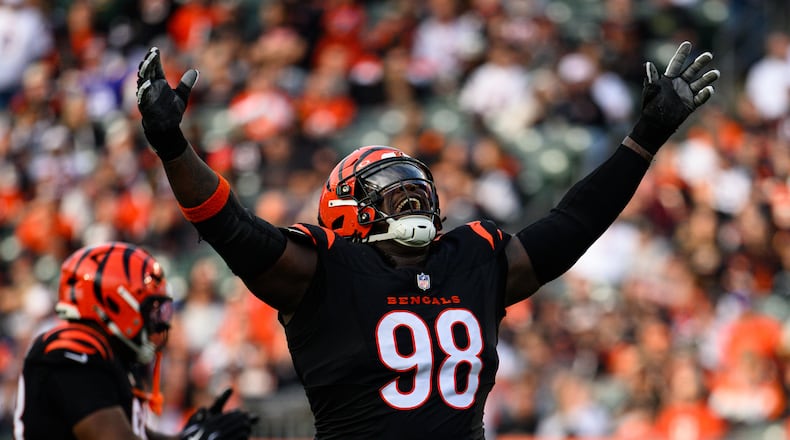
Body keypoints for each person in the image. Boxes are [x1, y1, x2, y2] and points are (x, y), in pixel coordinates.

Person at [136, 41, 719, 439]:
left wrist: (645, 137)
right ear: (346, 213)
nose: (412, 197)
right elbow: (230, 228)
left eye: (417, 186)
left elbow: (572, 225)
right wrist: (172, 146)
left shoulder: (472, 258)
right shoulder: (322, 271)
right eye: (389, 189)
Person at [12, 242, 258, 440]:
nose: (159, 322)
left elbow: (139, 435)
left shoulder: (109, 357)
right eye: (151, 309)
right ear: (115, 303)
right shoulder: (70, 348)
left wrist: (187, 436)